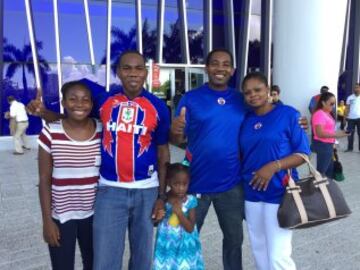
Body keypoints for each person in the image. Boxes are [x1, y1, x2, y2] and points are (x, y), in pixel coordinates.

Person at [28, 50, 170, 270]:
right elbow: (73, 116)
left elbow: (163, 152)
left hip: (146, 192)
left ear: (145, 72)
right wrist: (43, 112)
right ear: (118, 73)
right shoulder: (105, 100)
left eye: (138, 68)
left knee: (142, 261)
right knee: (104, 262)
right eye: (126, 68)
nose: (133, 73)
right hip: (109, 192)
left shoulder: (159, 107)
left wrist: (161, 195)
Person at [171, 48, 308, 270]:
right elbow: (176, 138)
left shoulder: (240, 99)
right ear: (206, 68)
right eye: (215, 63)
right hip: (196, 183)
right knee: (185, 239)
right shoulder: (191, 98)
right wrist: (175, 131)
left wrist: (297, 122)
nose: (220, 68)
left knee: (235, 241)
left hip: (233, 185)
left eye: (226, 64)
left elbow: (269, 115)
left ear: (232, 70)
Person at [239, 72, 311, 270]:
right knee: (259, 249)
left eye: (257, 90)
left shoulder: (289, 114)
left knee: (278, 255)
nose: (253, 95)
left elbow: (304, 154)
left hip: (280, 192)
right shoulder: (245, 119)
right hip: (251, 193)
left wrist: (273, 166)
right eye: (247, 92)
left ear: (268, 90)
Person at [38, 81, 102, 270]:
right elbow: (44, 179)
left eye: (85, 100)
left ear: (91, 104)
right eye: (73, 99)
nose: (80, 104)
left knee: (94, 263)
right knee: (62, 265)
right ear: (63, 103)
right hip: (61, 216)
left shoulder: (102, 130)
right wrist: (47, 221)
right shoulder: (51, 132)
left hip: (95, 214)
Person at [153, 163, 204, 270]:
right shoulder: (163, 199)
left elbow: (190, 228)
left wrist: (179, 214)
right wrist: (158, 218)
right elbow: (155, 222)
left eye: (184, 184)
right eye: (176, 184)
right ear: (168, 182)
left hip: (184, 245)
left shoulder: (190, 201)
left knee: (184, 266)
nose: (181, 188)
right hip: (166, 243)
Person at [311, 92, 348, 177]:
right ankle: (319, 189)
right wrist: (336, 135)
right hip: (323, 145)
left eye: (334, 103)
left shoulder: (327, 112)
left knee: (329, 172)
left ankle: (327, 189)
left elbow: (328, 129)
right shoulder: (319, 114)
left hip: (328, 145)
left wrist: (334, 141)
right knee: (321, 173)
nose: (333, 106)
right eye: (331, 103)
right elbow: (319, 133)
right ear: (323, 103)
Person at [345, 83, 360, 152]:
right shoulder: (350, 97)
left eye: (357, 88)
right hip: (351, 118)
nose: (356, 89)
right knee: (350, 133)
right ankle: (350, 148)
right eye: (355, 88)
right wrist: (344, 118)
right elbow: (347, 108)